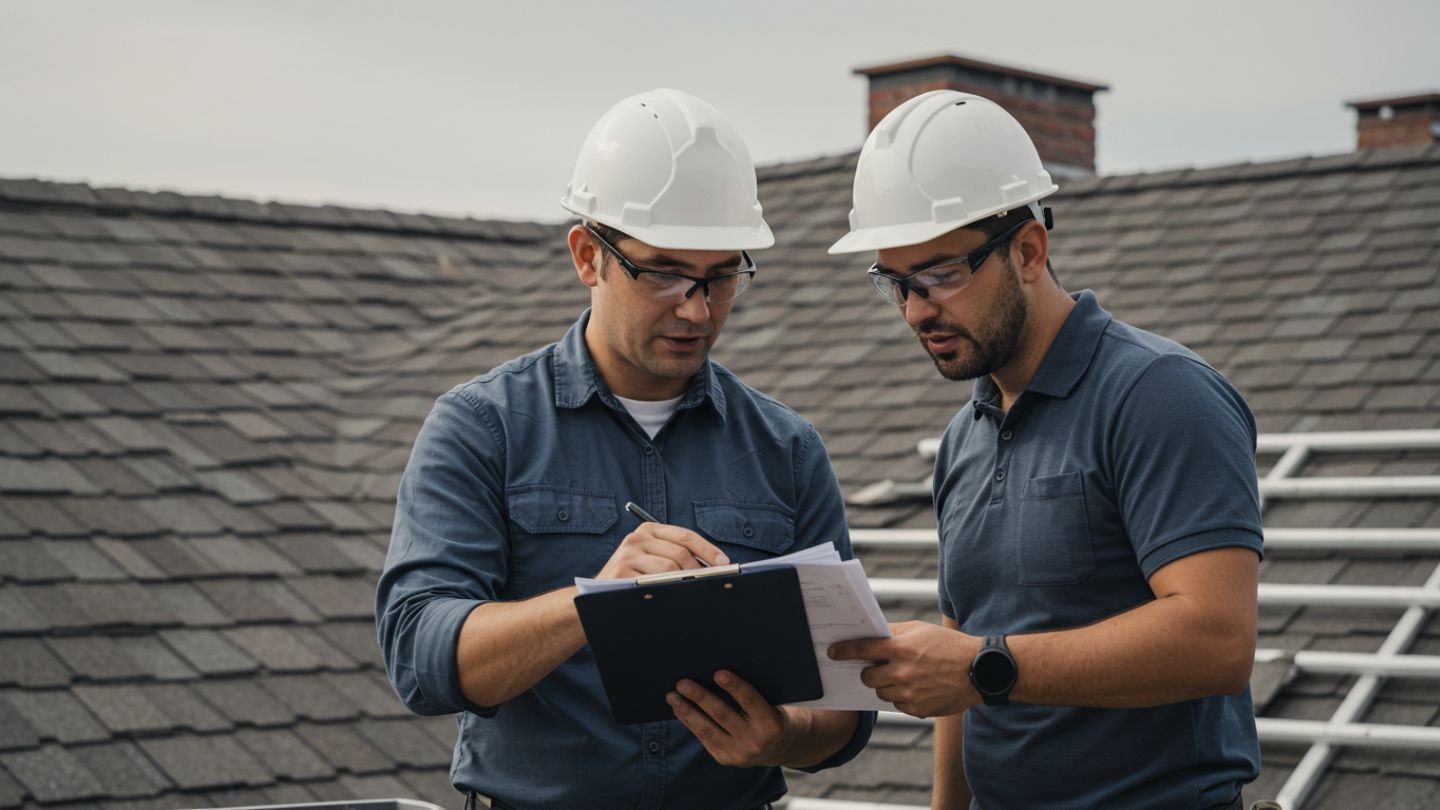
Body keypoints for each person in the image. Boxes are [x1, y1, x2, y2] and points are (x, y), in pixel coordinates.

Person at [377, 88, 874, 810]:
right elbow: (422, 658)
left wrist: (786, 737)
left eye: (722, 276)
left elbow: (847, 702)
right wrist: (597, 606)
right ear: (588, 255)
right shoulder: (481, 427)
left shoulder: (787, 450)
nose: (697, 309)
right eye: (664, 272)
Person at [826, 90, 1263, 810]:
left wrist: (984, 667)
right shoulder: (964, 439)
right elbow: (961, 640)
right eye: (896, 283)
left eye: (940, 275)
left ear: (1029, 251)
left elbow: (1215, 640)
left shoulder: (1160, 395)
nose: (915, 310)